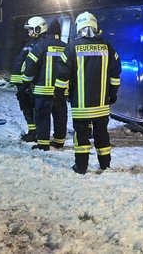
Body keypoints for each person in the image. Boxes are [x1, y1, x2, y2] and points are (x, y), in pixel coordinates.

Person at [54, 11, 121, 174]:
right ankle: (105, 165)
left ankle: (81, 166)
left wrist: (59, 93)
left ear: (79, 27)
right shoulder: (107, 47)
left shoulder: (72, 47)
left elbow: (62, 74)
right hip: (102, 104)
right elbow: (115, 73)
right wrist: (113, 93)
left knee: (81, 136)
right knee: (102, 135)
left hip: (81, 105)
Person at [22, 18, 68, 151]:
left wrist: (26, 82)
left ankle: (43, 144)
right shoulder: (67, 47)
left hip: (42, 91)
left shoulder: (40, 46)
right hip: (61, 91)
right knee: (60, 116)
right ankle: (59, 142)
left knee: (42, 117)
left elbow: (30, 66)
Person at [10, 19, 39, 142]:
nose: (28, 31)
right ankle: (32, 132)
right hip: (22, 82)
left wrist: (28, 82)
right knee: (26, 108)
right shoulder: (30, 42)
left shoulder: (39, 44)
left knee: (31, 108)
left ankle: (34, 133)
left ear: (38, 29)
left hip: (28, 83)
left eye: (30, 29)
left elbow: (33, 65)